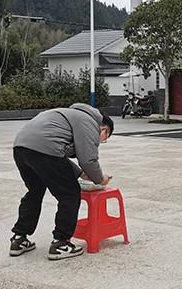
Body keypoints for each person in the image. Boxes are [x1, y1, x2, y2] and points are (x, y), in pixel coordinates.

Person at [10, 103, 113, 260]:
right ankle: (61, 243)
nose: (101, 141)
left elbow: (58, 154)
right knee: (70, 194)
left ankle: (19, 238)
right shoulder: (90, 122)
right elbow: (88, 160)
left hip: (21, 148)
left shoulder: (68, 114)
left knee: (34, 191)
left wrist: (80, 173)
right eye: (105, 138)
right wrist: (100, 179)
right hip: (44, 150)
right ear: (104, 129)